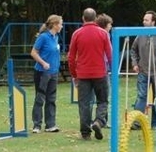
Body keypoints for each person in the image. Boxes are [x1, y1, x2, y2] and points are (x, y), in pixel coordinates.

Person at [68, 8, 112, 141]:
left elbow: (71, 57)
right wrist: (112, 69)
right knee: (103, 100)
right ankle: (98, 121)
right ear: (95, 18)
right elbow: (110, 55)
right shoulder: (103, 34)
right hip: (100, 73)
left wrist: (74, 75)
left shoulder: (77, 34)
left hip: (83, 74)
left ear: (83, 18)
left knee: (84, 103)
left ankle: (85, 132)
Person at [30, 14, 63, 134]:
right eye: (60, 24)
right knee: (40, 97)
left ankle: (50, 124)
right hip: (42, 72)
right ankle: (37, 125)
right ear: (54, 25)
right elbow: (33, 53)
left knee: (51, 98)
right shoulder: (43, 37)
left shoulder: (56, 37)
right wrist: (43, 63)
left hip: (53, 72)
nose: (62, 26)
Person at [130, 10, 156, 129]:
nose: (143, 22)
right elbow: (133, 50)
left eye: (146, 20)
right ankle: (136, 123)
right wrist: (134, 63)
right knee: (141, 96)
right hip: (143, 71)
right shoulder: (140, 35)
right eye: (143, 20)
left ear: (153, 22)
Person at [95, 13, 113, 127]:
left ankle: (103, 120)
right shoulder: (105, 35)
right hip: (103, 69)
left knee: (101, 97)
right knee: (104, 97)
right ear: (105, 25)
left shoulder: (99, 34)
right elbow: (108, 53)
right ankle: (101, 120)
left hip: (99, 67)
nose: (111, 26)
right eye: (110, 24)